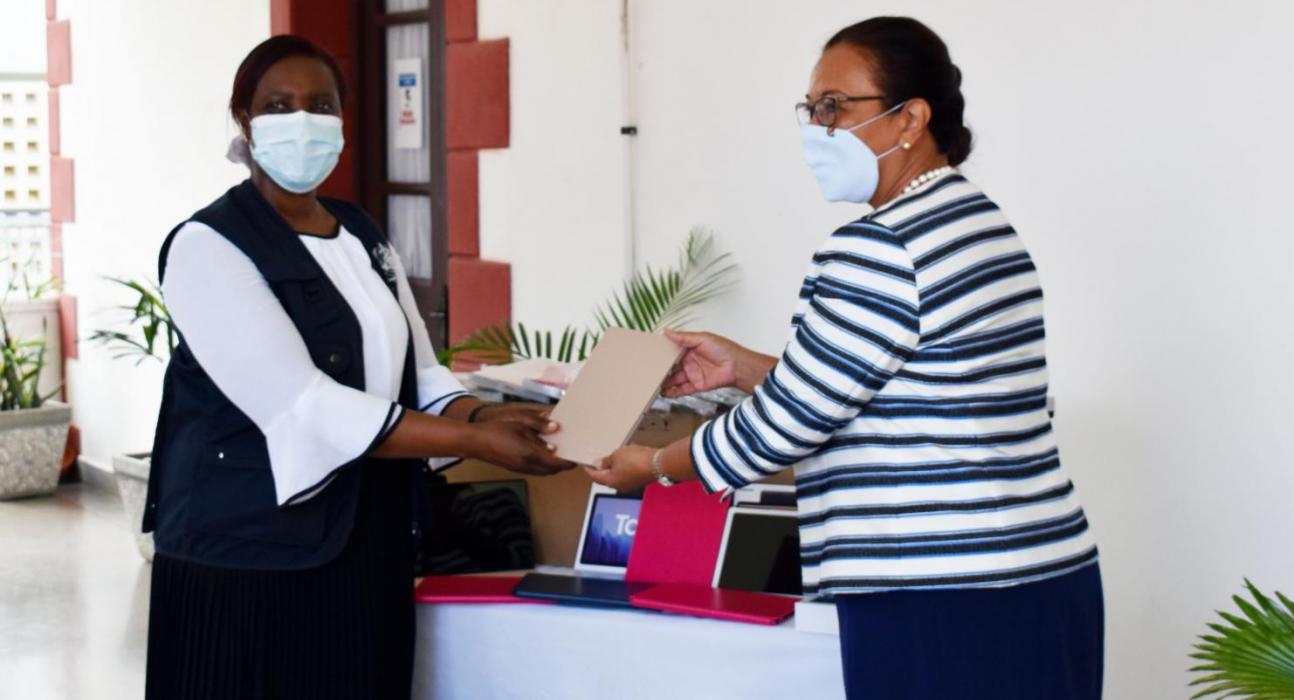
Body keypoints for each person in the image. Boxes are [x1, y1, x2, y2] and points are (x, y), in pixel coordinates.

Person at [590, 17, 1103, 700]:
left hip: (938, 596)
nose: (816, 128)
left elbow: (786, 428)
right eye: (810, 109)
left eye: (834, 106)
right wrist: (747, 367)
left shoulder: (878, 247)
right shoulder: (981, 224)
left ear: (910, 119)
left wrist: (652, 467)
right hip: (1045, 577)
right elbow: (910, 388)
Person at [142, 35, 572, 699]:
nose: (303, 122)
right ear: (243, 121)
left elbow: (423, 376)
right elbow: (304, 404)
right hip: (245, 554)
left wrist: (488, 413)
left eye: (321, 105)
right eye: (278, 106)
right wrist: (475, 439)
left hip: (365, 540)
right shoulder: (209, 246)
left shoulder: (359, 231)